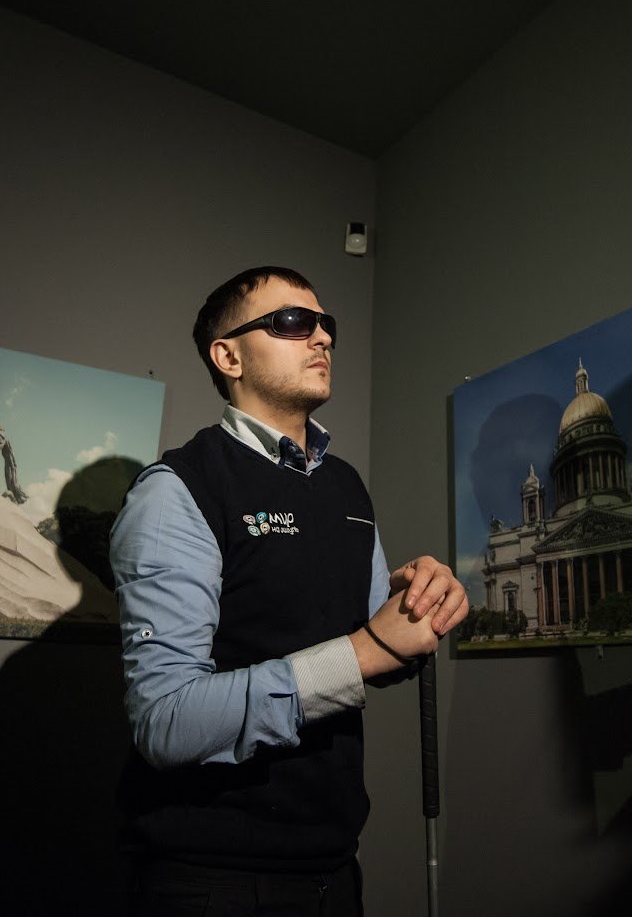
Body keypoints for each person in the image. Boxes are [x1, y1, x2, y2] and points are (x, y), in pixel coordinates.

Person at [110, 265, 470, 916]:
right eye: (292, 322)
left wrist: (417, 608)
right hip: (212, 879)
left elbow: (378, 650)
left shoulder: (346, 486)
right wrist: (365, 649)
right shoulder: (178, 489)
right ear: (229, 356)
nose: (322, 337)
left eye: (324, 323)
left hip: (334, 868)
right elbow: (164, 720)